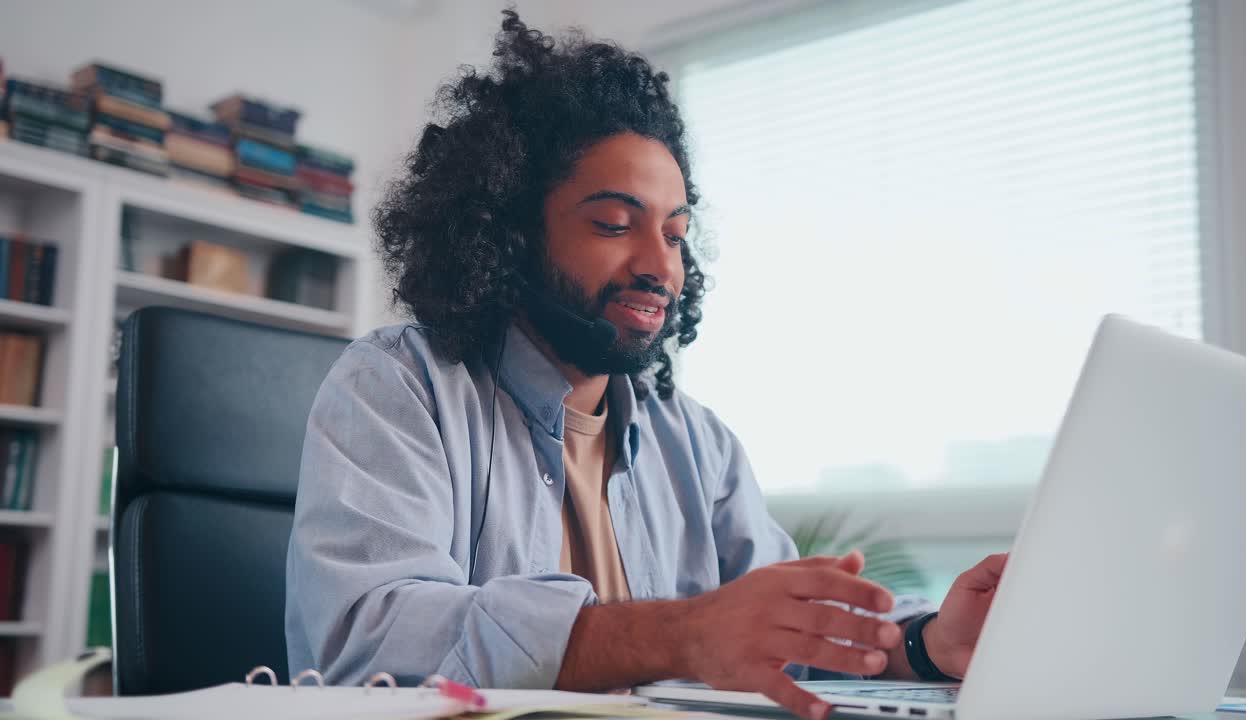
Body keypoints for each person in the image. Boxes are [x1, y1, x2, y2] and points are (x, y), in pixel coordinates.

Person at [285, 11, 1007, 720]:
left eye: (675, 233)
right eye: (613, 224)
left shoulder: (699, 444)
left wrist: (929, 642)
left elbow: (792, 638)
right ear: (507, 231)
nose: (661, 266)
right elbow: (368, 642)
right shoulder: (398, 386)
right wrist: (682, 633)